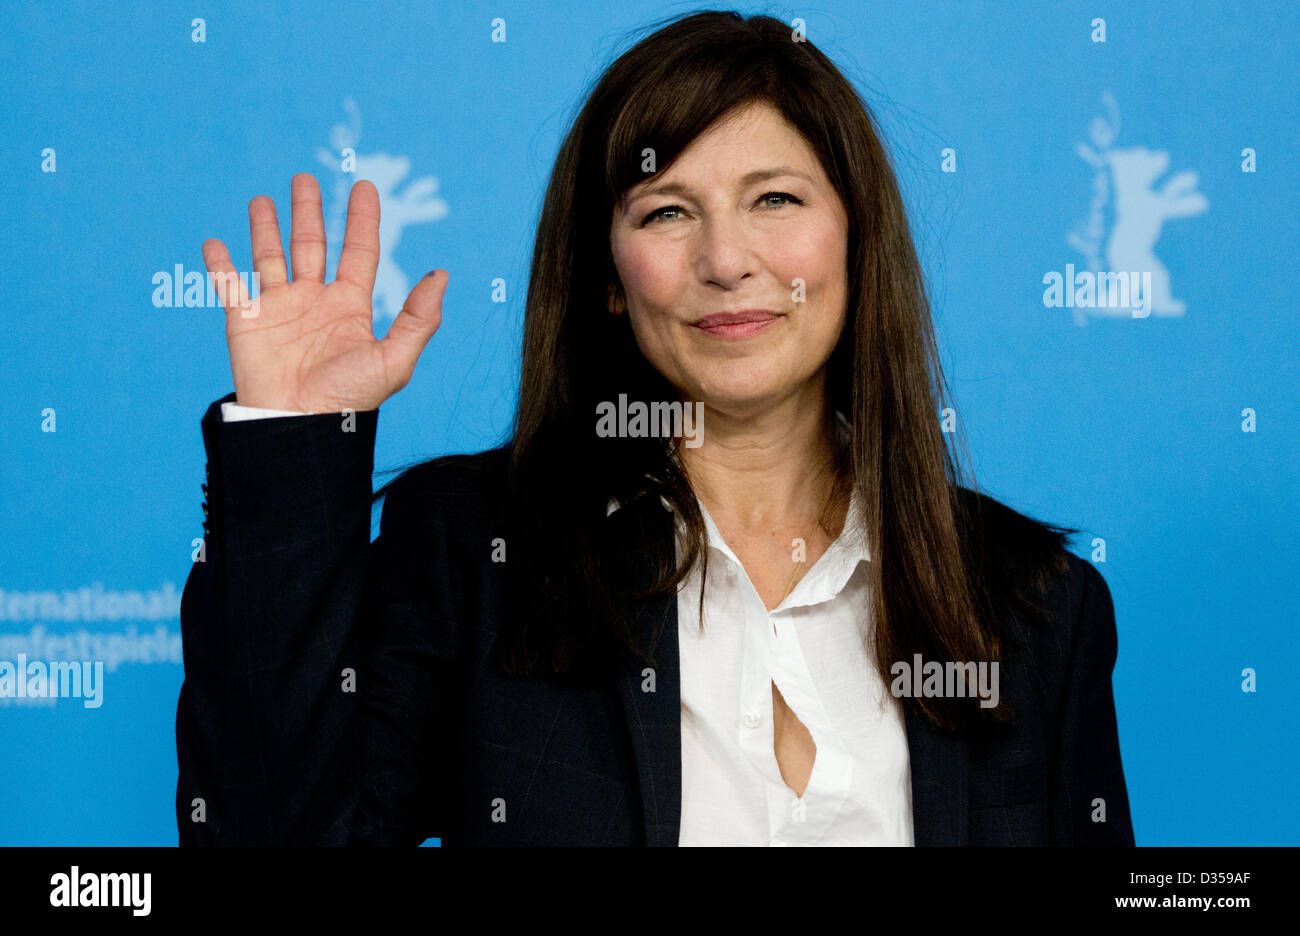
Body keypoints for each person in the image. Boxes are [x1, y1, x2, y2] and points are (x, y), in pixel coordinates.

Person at [175, 10, 1134, 846]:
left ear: (856, 236)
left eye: (776, 199)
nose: (726, 259)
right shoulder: (477, 552)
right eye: (668, 211)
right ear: (606, 276)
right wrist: (294, 435)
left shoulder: (1034, 608)